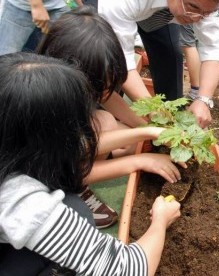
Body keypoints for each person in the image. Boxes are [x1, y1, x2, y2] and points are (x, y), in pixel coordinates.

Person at [0, 52, 181, 275]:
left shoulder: (10, 146)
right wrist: (161, 221)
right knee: (76, 210)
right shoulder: (20, 202)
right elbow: (128, 269)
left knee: (74, 206)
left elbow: (78, 148)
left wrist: (145, 133)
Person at [37, 6, 186, 229]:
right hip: (39, 177)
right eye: (99, 85)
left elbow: (108, 97)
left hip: (65, 149)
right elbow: (67, 166)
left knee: (109, 125)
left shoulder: (65, 80)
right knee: (76, 209)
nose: (105, 91)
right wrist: (140, 161)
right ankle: (75, 191)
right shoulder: (42, 107)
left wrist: (150, 130)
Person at [98, 0, 219, 128]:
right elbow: (121, 60)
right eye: (192, 7)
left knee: (170, 55)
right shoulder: (118, 3)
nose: (196, 18)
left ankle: (170, 126)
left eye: (206, 13)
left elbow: (213, 48)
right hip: (111, 11)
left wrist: (203, 99)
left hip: (161, 14)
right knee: (102, 69)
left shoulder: (209, 4)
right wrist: (153, 110)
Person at [0, 0, 70, 55]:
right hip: (22, 6)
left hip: (57, 5)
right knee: (6, 55)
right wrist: (37, 5)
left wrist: (80, 7)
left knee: (64, 51)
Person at [181, 24, 202, 100]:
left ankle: (195, 91)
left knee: (188, 45)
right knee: (191, 43)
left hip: (187, 13)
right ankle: (196, 90)